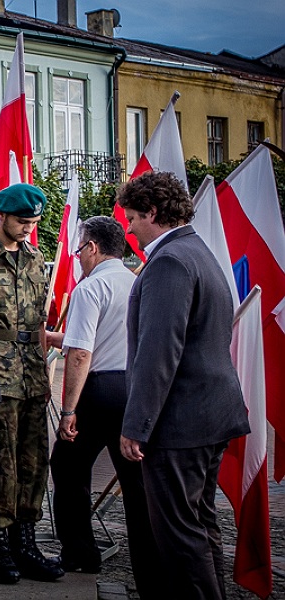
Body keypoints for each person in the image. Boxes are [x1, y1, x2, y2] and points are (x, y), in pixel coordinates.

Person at [117, 171, 250, 599]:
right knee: (199, 525)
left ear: (153, 213)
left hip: (180, 422)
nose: (129, 229)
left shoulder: (170, 261)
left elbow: (159, 352)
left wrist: (136, 426)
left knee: (178, 535)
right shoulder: (197, 250)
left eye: (132, 218)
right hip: (208, 415)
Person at [45, 216, 165, 597]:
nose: (78, 257)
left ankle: (80, 552)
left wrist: (68, 411)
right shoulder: (137, 281)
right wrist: (53, 337)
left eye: (79, 249)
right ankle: (150, 568)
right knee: (136, 483)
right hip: (134, 386)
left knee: (67, 466)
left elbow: (82, 352)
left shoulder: (90, 287)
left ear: (93, 248)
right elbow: (103, 336)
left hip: (99, 390)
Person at [0, 183, 63, 584]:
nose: (28, 228)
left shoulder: (37, 259)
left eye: (34, 222)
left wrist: (43, 369)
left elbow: (39, 323)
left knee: (34, 461)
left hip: (32, 374)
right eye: (22, 221)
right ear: (2, 215)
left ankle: (27, 543)